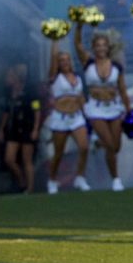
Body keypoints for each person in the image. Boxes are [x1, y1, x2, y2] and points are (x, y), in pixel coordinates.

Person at [73, 23, 133, 192]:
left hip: (114, 107)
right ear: (93, 47)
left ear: (108, 47)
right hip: (95, 108)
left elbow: (122, 89)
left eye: (104, 45)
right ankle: (116, 179)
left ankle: (97, 143)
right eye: (98, 45)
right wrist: (78, 26)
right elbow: (77, 45)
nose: (101, 48)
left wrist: (129, 109)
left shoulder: (117, 66)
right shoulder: (88, 62)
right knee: (111, 146)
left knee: (117, 146)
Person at [44, 38, 90, 194]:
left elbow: (82, 97)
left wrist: (86, 114)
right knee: (59, 152)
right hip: (60, 118)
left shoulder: (77, 77)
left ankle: (80, 177)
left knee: (84, 147)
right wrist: (55, 41)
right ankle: (52, 180)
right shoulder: (55, 77)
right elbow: (52, 60)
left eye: (66, 59)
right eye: (61, 60)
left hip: (76, 116)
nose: (64, 62)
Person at [0, 63, 40, 193]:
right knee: (9, 159)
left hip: (27, 127)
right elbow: (6, 112)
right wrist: (1, 129)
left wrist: (35, 129)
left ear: (16, 77)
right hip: (14, 129)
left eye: (9, 76)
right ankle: (21, 180)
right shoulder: (9, 93)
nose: (7, 78)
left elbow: (37, 109)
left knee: (27, 160)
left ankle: (30, 188)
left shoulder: (30, 91)